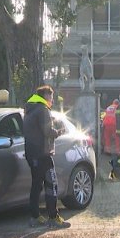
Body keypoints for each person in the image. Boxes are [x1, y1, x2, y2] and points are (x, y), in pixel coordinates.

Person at [23, 85, 70, 229]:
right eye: (51, 97)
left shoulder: (30, 109)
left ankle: (35, 216)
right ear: (45, 96)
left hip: (31, 153)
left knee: (36, 185)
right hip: (43, 154)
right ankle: (53, 217)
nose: (52, 100)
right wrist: (59, 131)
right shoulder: (42, 110)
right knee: (51, 184)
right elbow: (48, 131)